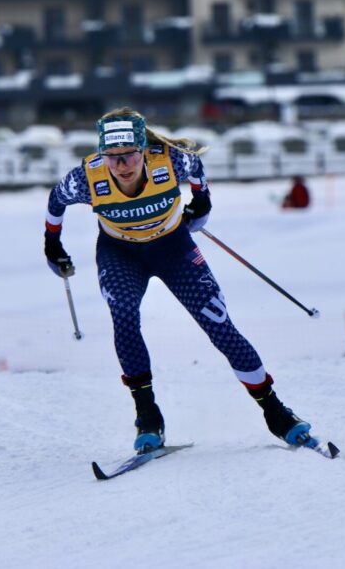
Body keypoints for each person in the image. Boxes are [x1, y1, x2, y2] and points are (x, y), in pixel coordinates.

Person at [44, 107, 316, 453]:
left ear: (143, 151)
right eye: (112, 158)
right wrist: (52, 245)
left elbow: (197, 171)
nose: (121, 166)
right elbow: (56, 200)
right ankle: (148, 418)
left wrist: (200, 204)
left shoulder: (171, 161)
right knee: (124, 315)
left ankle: (277, 413)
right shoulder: (87, 177)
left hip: (173, 248)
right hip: (120, 253)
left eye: (128, 156)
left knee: (218, 323)